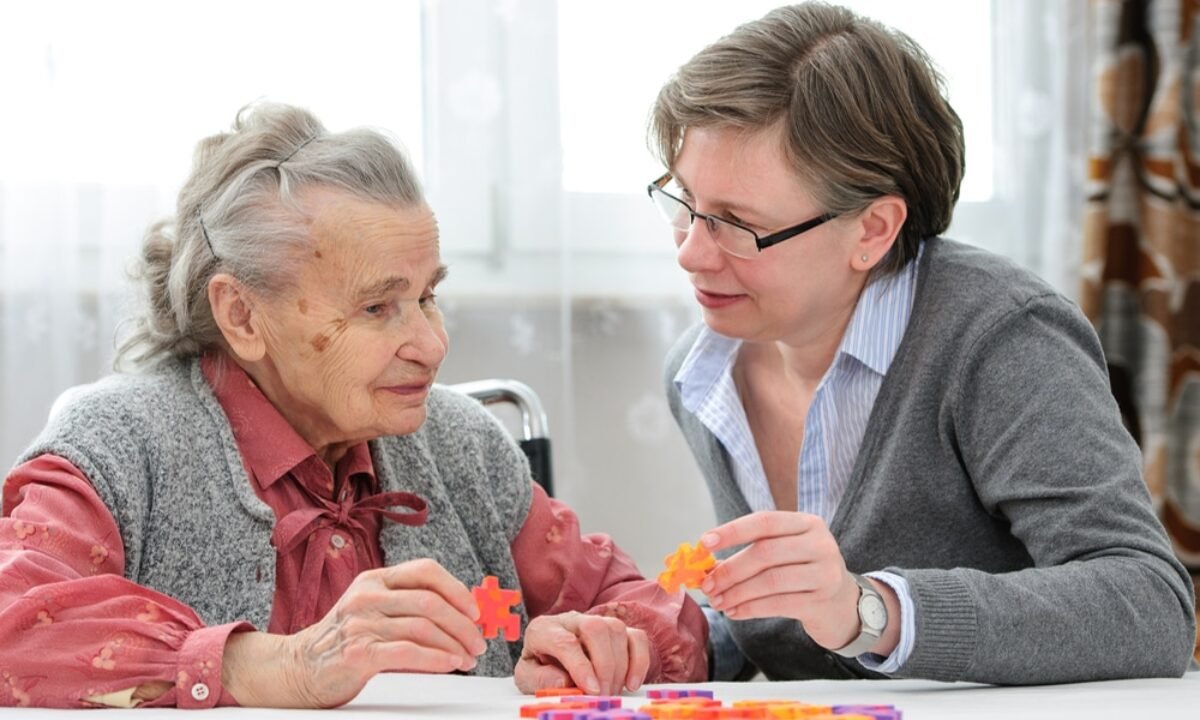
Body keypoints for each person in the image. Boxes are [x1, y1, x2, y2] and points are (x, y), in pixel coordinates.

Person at [0, 102, 707, 709]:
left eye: (428, 295)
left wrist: (607, 645)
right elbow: (12, 620)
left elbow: (660, 613)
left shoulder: (459, 444)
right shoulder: (122, 443)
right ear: (242, 315)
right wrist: (278, 666)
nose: (432, 345)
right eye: (377, 307)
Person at [646, 2, 1196, 684]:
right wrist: (662, 640)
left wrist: (872, 611)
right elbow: (796, 627)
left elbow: (1147, 605)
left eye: (736, 224)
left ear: (873, 230)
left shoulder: (999, 340)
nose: (692, 254)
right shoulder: (702, 373)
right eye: (685, 203)